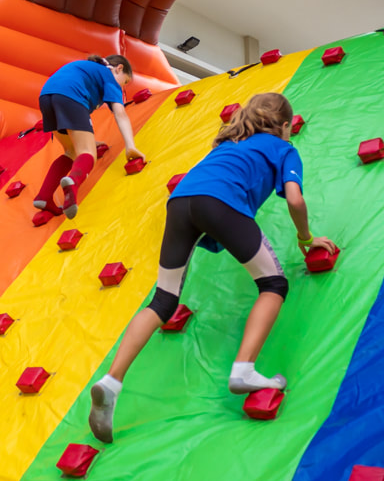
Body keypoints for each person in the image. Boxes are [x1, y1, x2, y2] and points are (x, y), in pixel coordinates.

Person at [88, 92, 335, 443]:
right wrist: (306, 237)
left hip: (180, 202)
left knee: (163, 300)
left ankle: (111, 382)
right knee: (273, 284)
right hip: (219, 202)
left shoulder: (229, 143)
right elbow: (294, 198)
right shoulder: (283, 148)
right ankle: (244, 369)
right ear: (284, 125)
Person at [33, 55, 144, 221]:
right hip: (70, 96)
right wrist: (130, 146)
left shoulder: (88, 70)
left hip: (46, 97)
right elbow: (120, 114)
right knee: (87, 153)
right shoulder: (109, 76)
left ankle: (44, 196)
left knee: (71, 151)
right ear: (119, 68)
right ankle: (73, 182)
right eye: (125, 81)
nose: (123, 87)